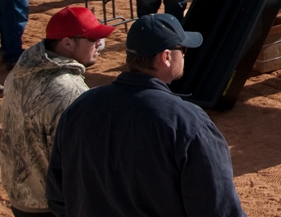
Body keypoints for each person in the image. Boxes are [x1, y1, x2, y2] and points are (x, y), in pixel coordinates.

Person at [46, 13, 246, 217]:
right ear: (166, 57)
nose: (185, 56)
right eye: (183, 50)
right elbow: (219, 209)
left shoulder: (80, 107)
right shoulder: (188, 122)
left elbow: (57, 194)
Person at [1, 7, 114, 217]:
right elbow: (83, 161)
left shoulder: (20, 71)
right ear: (67, 43)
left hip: (21, 196)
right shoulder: (69, 91)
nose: (100, 44)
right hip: (51, 205)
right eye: (93, 38)